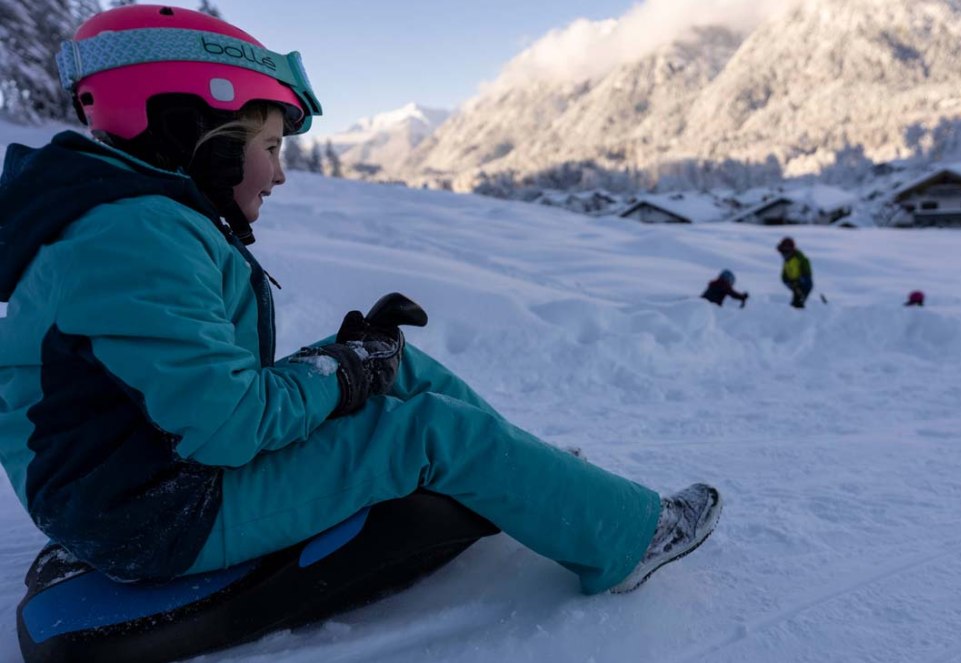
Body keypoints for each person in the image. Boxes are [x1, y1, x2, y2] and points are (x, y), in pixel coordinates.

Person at [0, 6, 720, 597]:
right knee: (426, 429)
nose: (279, 174)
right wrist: (341, 372)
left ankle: (530, 476)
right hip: (156, 510)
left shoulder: (131, 215)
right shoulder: (133, 235)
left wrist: (356, 361)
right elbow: (226, 426)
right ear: (202, 130)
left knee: (394, 360)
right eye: (273, 145)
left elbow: (195, 392)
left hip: (147, 472)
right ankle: (628, 541)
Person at [776, 236, 813, 309]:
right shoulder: (787, 261)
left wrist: (801, 280)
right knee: (795, 302)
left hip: (804, 285)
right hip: (794, 284)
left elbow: (807, 273)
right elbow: (784, 275)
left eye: (786, 252)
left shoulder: (800, 259)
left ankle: (800, 313)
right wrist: (787, 281)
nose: (784, 255)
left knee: (798, 302)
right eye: (783, 253)